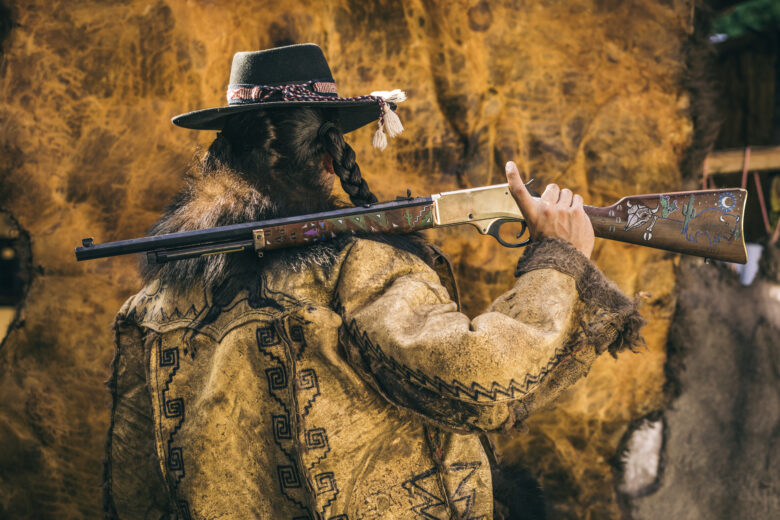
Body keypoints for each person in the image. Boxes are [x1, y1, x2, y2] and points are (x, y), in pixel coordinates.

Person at [103, 44, 643, 520]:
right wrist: (558, 258)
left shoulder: (149, 306)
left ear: (222, 149)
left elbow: (134, 487)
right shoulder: (359, 267)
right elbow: (488, 378)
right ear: (330, 156)